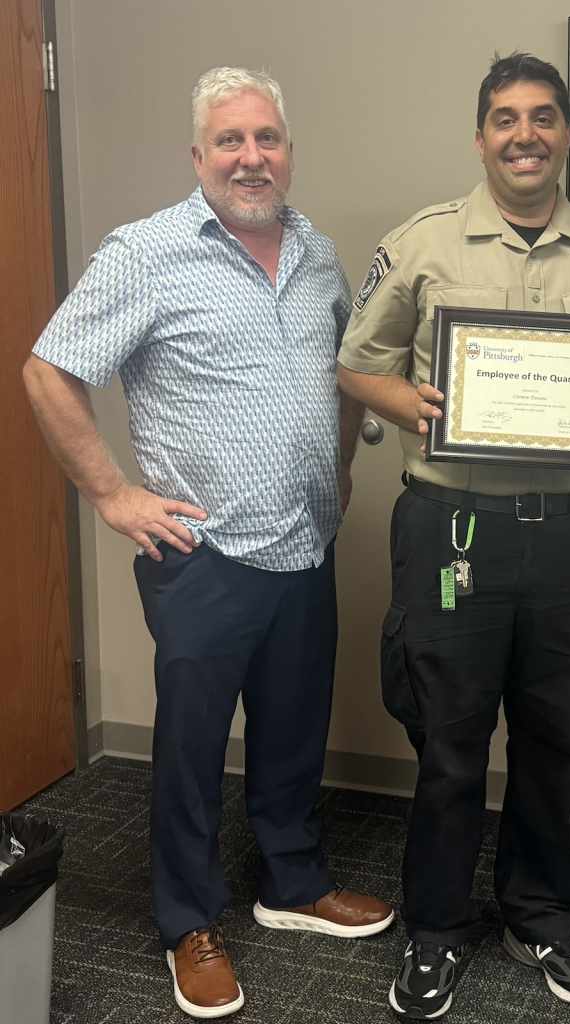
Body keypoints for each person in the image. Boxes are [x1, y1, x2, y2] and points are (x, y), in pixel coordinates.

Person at [23, 67, 393, 1019]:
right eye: (229, 141)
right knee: (189, 746)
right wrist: (110, 493)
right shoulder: (147, 253)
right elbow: (48, 370)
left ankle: (293, 883)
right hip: (202, 554)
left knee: (293, 726)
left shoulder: (317, 254)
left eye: (266, 138)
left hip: (305, 543)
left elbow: (344, 375)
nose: (251, 157)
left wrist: (343, 471)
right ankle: (188, 920)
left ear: (288, 151)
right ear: (198, 156)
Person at [338, 53, 570, 1020]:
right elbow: (359, 364)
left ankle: (540, 914)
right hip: (454, 534)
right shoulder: (425, 245)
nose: (525, 135)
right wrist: (421, 404)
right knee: (450, 739)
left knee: (553, 739)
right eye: (504, 119)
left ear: (568, 134)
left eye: (544, 118)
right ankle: (436, 928)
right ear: (480, 136)